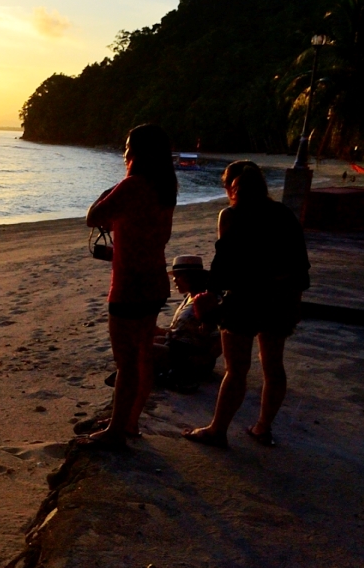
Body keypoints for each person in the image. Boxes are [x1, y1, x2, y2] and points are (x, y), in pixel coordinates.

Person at [183, 161, 310, 448]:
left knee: (236, 370)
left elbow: (224, 263)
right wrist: (295, 301)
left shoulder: (231, 215)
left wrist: (210, 294)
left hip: (246, 298)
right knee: (273, 366)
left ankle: (218, 430)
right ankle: (263, 428)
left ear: (231, 187)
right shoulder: (284, 214)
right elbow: (301, 265)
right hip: (281, 298)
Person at [84, 124, 177, 448]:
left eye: (128, 146)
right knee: (142, 357)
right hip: (155, 281)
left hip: (130, 286)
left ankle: (114, 432)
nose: (124, 152)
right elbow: (139, 231)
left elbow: (94, 217)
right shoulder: (166, 186)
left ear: (138, 152)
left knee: (125, 362)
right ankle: (130, 422)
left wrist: (109, 192)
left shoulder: (133, 185)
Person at [153, 255, 221, 392]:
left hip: (192, 356)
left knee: (145, 350)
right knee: (144, 342)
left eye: (178, 276)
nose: (174, 280)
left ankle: (168, 375)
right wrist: (160, 331)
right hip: (179, 347)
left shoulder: (207, 301)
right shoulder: (190, 297)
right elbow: (182, 332)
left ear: (190, 277)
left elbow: (221, 333)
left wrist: (208, 357)